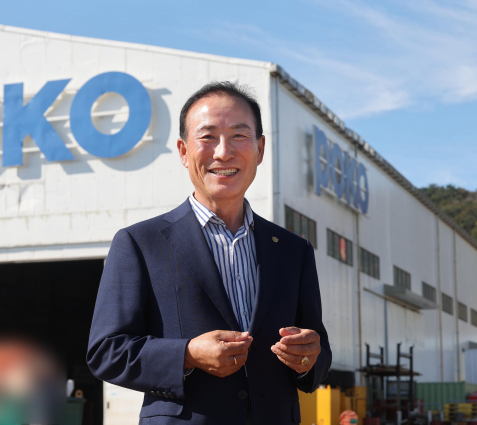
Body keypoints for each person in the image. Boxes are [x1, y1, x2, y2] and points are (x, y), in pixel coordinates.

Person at [87, 81, 331, 424]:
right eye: (208, 136)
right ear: (183, 151)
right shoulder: (141, 243)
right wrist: (186, 354)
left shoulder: (293, 250)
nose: (223, 152)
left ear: (260, 149)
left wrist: (308, 358)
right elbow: (106, 352)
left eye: (239, 135)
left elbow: (318, 356)